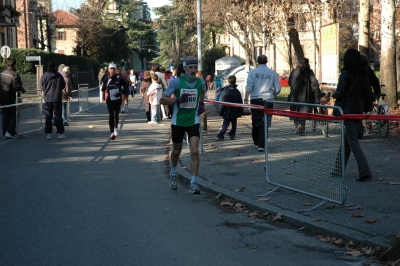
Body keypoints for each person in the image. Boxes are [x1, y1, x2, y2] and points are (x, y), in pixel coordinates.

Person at [160, 56, 206, 194]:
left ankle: (193, 182)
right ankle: (173, 173)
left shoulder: (201, 82)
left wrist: (201, 104)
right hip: (178, 122)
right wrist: (177, 100)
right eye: (190, 68)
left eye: (195, 67)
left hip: (193, 121)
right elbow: (162, 99)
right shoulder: (177, 82)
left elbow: (202, 92)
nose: (193, 70)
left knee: (194, 151)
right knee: (176, 151)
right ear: (184, 68)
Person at [332, 48, 372, 182]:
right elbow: (368, 94)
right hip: (358, 109)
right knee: (347, 139)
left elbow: (340, 91)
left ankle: (365, 171)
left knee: (352, 141)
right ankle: (338, 169)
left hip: (347, 110)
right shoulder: (364, 74)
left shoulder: (345, 74)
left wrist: (334, 95)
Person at [244, 54, 281, 152]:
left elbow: (249, 86)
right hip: (268, 100)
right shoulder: (272, 73)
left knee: (256, 121)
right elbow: (278, 88)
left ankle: (257, 141)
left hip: (255, 99)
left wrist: (245, 98)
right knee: (265, 123)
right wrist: (271, 93)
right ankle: (261, 144)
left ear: (257, 62)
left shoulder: (252, 72)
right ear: (267, 61)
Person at [288, 57, 321, 135]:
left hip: (294, 96)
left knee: (295, 112)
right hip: (306, 97)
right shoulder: (309, 72)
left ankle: (297, 126)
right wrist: (317, 93)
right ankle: (301, 127)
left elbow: (289, 82)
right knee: (303, 113)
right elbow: (314, 84)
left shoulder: (294, 72)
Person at [357, 53, 381, 139]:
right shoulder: (369, 71)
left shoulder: (354, 70)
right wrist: (377, 92)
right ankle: (366, 123)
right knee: (366, 110)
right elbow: (375, 82)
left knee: (357, 113)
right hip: (367, 96)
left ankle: (359, 130)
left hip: (357, 97)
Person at [101, 63, 128, 140]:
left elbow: (126, 87)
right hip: (109, 99)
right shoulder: (106, 77)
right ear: (109, 69)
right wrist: (104, 88)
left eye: (114, 69)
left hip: (117, 99)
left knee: (116, 114)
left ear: (116, 70)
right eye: (111, 69)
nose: (112, 70)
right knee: (111, 115)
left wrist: (120, 93)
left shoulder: (120, 78)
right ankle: (112, 132)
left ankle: (116, 128)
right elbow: (102, 88)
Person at [40, 61, 66, 139]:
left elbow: (41, 87)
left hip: (48, 98)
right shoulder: (59, 75)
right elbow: (63, 85)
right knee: (58, 116)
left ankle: (48, 133)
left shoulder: (44, 76)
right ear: (55, 67)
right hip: (57, 98)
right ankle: (60, 133)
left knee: (48, 116)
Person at [0, 58, 25, 139]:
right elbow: (17, 87)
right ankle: (10, 132)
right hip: (10, 97)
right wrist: (23, 89)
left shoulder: (2, 73)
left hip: (2, 97)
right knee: (14, 115)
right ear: (14, 64)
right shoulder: (14, 75)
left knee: (5, 116)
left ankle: (5, 132)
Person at [216, 75, 243, 141]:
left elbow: (222, 102)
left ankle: (221, 135)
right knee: (234, 123)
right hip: (235, 110)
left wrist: (220, 111)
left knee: (225, 124)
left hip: (227, 111)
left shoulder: (225, 91)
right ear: (235, 81)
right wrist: (240, 111)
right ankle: (232, 134)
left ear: (228, 82)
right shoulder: (237, 91)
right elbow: (240, 102)